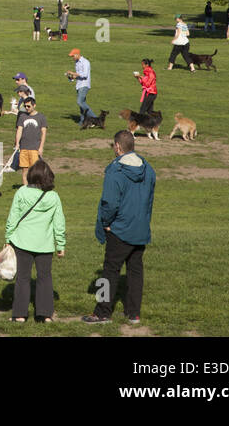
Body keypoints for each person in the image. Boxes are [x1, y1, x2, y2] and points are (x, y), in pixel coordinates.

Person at [83, 131, 156, 324]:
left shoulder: (115, 171)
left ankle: (102, 312)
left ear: (117, 146)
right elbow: (149, 200)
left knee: (109, 270)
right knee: (135, 270)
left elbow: (109, 203)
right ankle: (134, 313)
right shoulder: (148, 169)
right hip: (140, 228)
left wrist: (105, 223)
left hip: (119, 228)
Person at [6, 159, 66, 323]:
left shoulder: (22, 192)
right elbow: (58, 223)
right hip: (44, 245)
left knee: (22, 278)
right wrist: (60, 244)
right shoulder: (53, 197)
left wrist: (8, 238)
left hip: (21, 242)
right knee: (45, 278)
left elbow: (13, 217)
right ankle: (45, 315)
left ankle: (19, 315)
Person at [16, 96, 47, 185]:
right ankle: (25, 189)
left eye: (28, 106)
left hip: (34, 148)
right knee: (24, 170)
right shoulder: (22, 116)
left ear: (34, 105)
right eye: (25, 106)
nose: (26, 108)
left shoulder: (41, 117)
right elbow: (19, 130)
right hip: (24, 147)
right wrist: (17, 143)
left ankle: (35, 187)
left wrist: (41, 147)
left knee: (34, 171)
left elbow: (43, 133)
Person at [67, 48, 97, 128]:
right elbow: (78, 75)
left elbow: (85, 75)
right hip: (79, 85)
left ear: (77, 54)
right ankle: (83, 121)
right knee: (82, 105)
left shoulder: (85, 62)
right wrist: (72, 77)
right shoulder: (77, 63)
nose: (72, 58)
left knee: (80, 102)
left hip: (84, 85)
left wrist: (73, 73)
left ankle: (95, 119)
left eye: (73, 56)